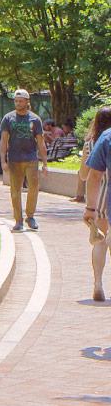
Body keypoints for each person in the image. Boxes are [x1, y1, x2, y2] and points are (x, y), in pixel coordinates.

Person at [0, 89, 47, 232]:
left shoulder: (35, 119)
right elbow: (3, 140)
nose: (18, 103)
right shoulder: (8, 118)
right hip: (14, 159)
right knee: (15, 190)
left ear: (27, 102)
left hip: (31, 158)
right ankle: (18, 220)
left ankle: (30, 216)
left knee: (33, 187)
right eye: (16, 101)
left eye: (20, 101)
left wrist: (45, 162)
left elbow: (40, 141)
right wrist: (3, 160)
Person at [79, 109, 111, 300]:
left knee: (100, 240)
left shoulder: (91, 143)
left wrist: (89, 207)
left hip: (99, 195)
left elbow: (85, 175)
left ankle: (98, 282)